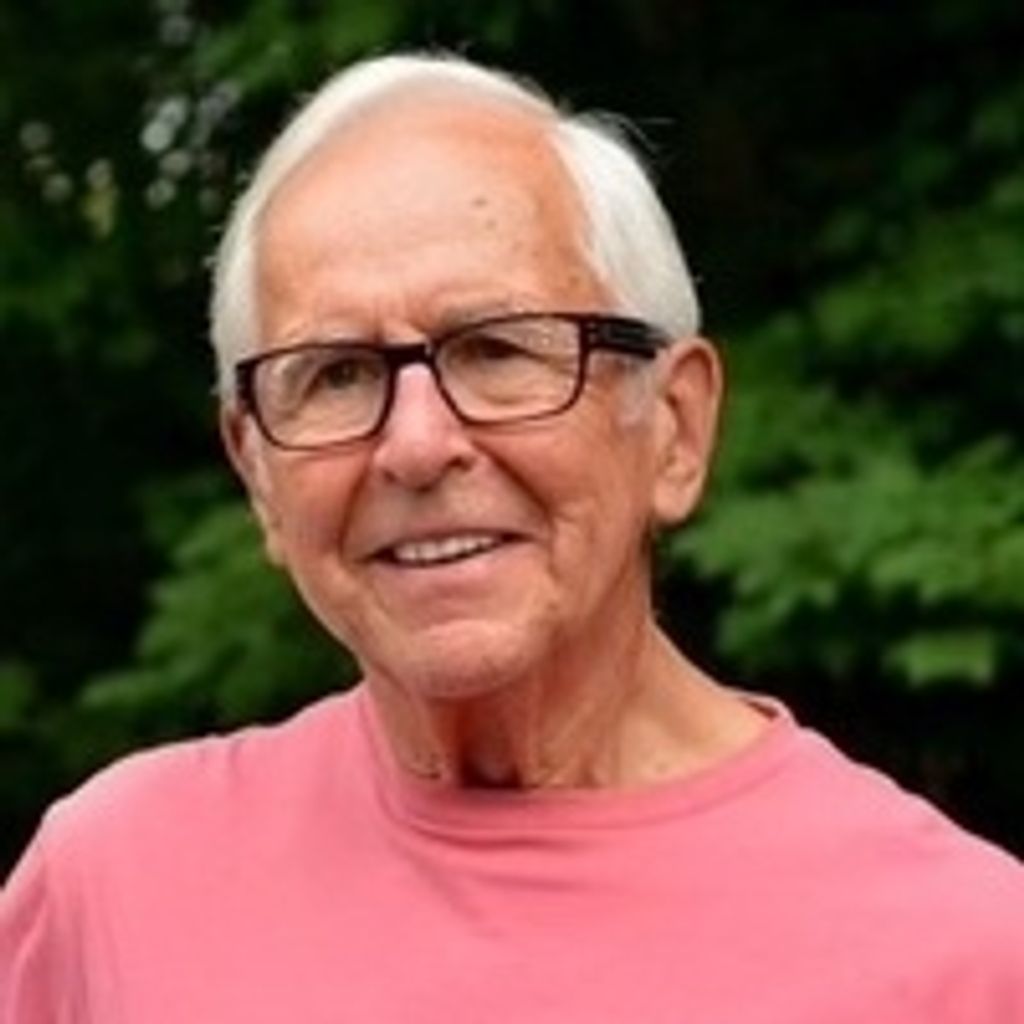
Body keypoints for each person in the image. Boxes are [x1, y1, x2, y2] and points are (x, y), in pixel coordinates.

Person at [2, 51, 1022, 1023]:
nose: (415, 445)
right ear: (257, 471)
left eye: (495, 350)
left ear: (674, 428)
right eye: (336, 374)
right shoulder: (118, 888)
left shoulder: (961, 956)